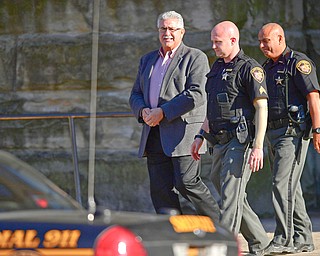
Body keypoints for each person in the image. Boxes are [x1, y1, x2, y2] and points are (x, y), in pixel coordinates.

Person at [129, 10, 220, 222]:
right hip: (153, 133)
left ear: (182, 32)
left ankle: (220, 226)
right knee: (160, 190)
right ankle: (173, 232)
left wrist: (163, 112)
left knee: (186, 182)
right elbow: (135, 94)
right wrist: (142, 110)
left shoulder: (195, 57)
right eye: (163, 29)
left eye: (172, 29)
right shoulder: (147, 60)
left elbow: (197, 93)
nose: (167, 33)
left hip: (183, 133)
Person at [191, 21, 270, 255]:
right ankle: (260, 241)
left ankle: (225, 248)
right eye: (213, 41)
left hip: (241, 140)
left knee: (229, 195)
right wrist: (200, 136)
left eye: (218, 42)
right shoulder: (216, 68)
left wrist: (257, 147)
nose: (213, 46)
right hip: (220, 140)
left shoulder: (249, 68)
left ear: (233, 41)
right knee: (223, 185)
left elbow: (262, 108)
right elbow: (211, 108)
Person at [258, 22, 320, 254]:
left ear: (280, 38)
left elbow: (313, 97)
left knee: (281, 185)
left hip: (292, 134)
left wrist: (318, 130)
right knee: (290, 187)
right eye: (260, 41)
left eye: (266, 41)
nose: (262, 45)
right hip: (273, 134)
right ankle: (304, 237)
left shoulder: (298, 63)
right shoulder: (268, 66)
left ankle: (284, 239)